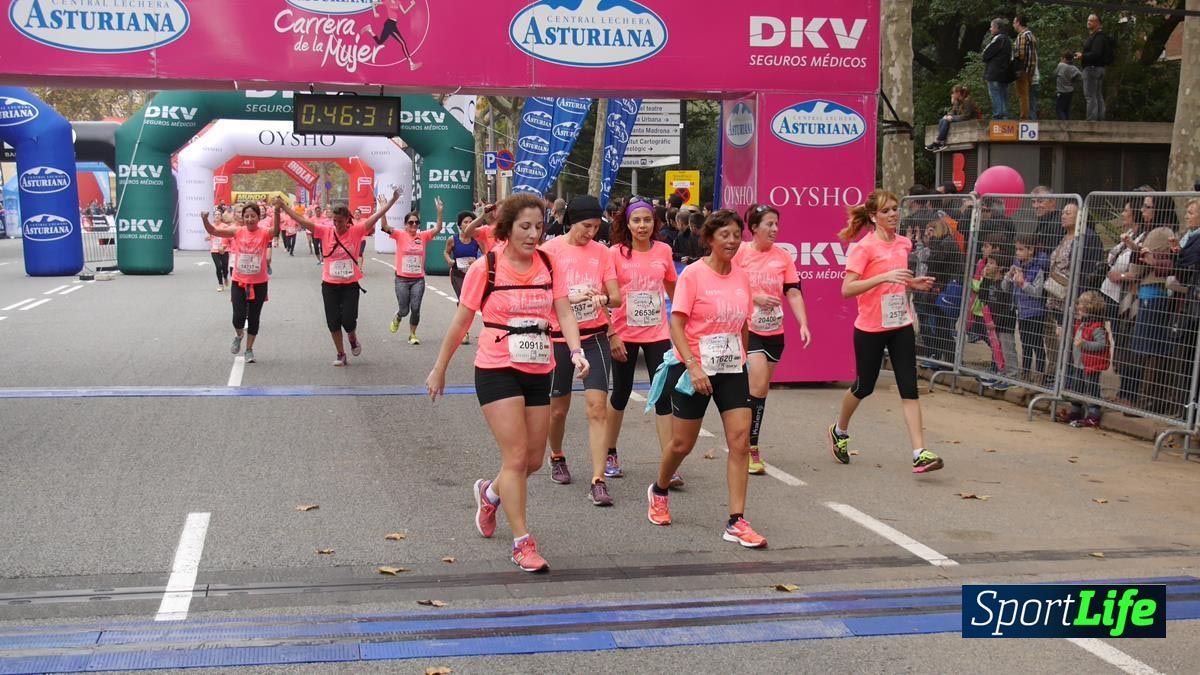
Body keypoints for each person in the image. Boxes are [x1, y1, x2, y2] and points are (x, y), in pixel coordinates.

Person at [425, 193, 591, 573]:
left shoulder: (550, 263)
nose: (534, 234)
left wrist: (576, 350)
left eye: (539, 226)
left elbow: (563, 309)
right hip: (497, 366)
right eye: (525, 227)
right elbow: (461, 321)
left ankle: (490, 492)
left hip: (538, 366)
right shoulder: (488, 267)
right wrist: (440, 367)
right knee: (515, 457)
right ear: (508, 227)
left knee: (532, 460)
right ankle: (522, 542)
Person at [645, 209, 767, 548]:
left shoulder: (742, 276)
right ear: (709, 239)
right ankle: (660, 488)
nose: (731, 241)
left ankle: (736, 520)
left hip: (731, 368)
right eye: (723, 235)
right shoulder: (694, 275)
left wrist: (743, 358)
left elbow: (743, 323)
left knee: (740, 442)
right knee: (682, 444)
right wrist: (693, 366)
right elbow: (677, 325)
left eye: (735, 235)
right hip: (695, 369)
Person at [827, 190, 943, 474]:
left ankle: (919, 452)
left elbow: (896, 281)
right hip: (870, 328)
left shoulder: (904, 244)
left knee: (909, 387)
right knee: (863, 386)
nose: (893, 214)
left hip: (900, 324)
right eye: (886, 211)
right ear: (873, 216)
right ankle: (839, 430)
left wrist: (912, 283)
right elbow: (847, 289)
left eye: (895, 209)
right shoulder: (864, 248)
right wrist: (883, 277)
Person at [540, 195, 622, 505]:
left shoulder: (602, 253)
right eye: (586, 226)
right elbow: (539, 295)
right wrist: (568, 300)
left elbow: (616, 296)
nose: (591, 233)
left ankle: (598, 479)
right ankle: (557, 455)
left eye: (596, 227)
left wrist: (600, 299)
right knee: (558, 409)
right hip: (558, 338)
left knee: (597, 408)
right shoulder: (549, 251)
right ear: (570, 221)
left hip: (594, 336)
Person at [603, 198, 679, 484]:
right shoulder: (615, 254)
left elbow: (676, 291)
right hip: (624, 334)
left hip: (657, 334)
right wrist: (611, 333)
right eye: (637, 220)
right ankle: (610, 452)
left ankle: (669, 462)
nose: (642, 225)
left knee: (663, 396)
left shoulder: (664, 250)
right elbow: (603, 297)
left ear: (654, 222)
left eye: (647, 220)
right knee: (620, 394)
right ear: (627, 224)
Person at [279, 191, 400, 366]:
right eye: (334, 221)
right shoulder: (325, 231)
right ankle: (340, 353)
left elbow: (376, 217)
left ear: (347, 220)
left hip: (350, 284)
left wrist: (390, 203)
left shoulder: (357, 231)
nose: (337, 224)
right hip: (330, 284)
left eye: (340, 221)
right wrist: (283, 207)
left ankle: (352, 336)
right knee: (333, 321)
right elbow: (303, 221)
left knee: (349, 320)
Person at [734, 204, 811, 475]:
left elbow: (793, 292)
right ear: (754, 227)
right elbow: (728, 284)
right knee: (756, 383)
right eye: (769, 224)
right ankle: (749, 447)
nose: (775, 229)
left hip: (774, 332)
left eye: (777, 224)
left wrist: (803, 323)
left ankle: (747, 437)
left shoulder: (783, 257)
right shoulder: (740, 253)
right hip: (747, 329)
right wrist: (753, 297)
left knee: (761, 390)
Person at [201, 203, 280, 364]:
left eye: (253, 216)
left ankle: (249, 349)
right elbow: (213, 231)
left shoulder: (264, 233)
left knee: (254, 317)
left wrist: (277, 212)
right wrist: (205, 219)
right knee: (237, 317)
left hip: (259, 282)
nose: (250, 219)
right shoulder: (237, 231)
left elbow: (276, 231)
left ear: (258, 217)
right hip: (239, 281)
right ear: (243, 218)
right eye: (247, 216)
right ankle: (238, 335)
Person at [382, 198, 444, 346]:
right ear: (405, 225)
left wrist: (440, 212)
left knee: (415, 308)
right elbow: (384, 226)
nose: (414, 225)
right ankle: (398, 317)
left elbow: (438, 229)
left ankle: (412, 334)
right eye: (411, 222)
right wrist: (383, 208)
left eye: (416, 222)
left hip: (418, 279)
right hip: (402, 279)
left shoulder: (422, 236)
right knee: (404, 310)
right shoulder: (399, 234)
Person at [1057, 290, 1110, 427]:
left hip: (1090, 365)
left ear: (1089, 308)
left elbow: (1101, 345)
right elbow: (1075, 339)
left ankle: (1094, 415)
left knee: (1092, 389)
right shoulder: (1081, 324)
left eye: (1081, 304)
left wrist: (1085, 344)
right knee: (1077, 387)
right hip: (1078, 363)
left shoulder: (1097, 327)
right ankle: (1075, 411)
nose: (1078, 307)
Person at [1005, 233, 1049, 380]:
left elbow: (1037, 292)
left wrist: (1023, 283)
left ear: (1030, 250)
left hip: (1035, 312)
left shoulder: (1038, 269)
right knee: (1025, 343)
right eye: (1016, 249)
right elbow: (1005, 288)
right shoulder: (1017, 267)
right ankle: (1026, 373)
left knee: (1037, 343)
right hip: (1022, 311)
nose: (1017, 253)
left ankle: (1041, 373)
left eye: (1021, 249)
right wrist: (1009, 277)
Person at [444, 210, 484, 343]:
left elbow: (487, 255)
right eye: (465, 222)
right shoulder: (453, 239)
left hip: (472, 274)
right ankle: (464, 332)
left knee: (471, 303)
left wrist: (478, 262)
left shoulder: (477, 240)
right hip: (457, 274)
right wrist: (449, 260)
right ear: (460, 225)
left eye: (470, 222)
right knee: (463, 301)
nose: (468, 224)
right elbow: (446, 252)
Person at [361, 0, 421, 70]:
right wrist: (375, 13)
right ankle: (411, 64)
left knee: (380, 42)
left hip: (392, 25)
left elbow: (404, 12)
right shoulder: (387, 2)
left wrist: (412, 5)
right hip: (389, 24)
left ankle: (369, 30)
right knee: (403, 43)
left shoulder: (398, 2)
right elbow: (373, 3)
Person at [1075, 14, 1112, 121]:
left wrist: (1082, 56)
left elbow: (1096, 53)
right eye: (1088, 20)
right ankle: (1100, 118)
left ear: (1098, 23)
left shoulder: (1098, 37)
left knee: (1090, 96)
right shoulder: (1098, 37)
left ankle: (1092, 120)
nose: (1088, 22)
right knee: (1097, 94)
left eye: (1091, 20)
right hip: (1098, 69)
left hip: (1092, 68)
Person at [926, 85, 978, 151]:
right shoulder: (957, 101)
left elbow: (966, 116)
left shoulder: (967, 100)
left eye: (953, 93)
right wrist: (948, 115)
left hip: (969, 120)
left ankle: (939, 142)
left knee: (946, 120)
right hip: (962, 119)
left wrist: (952, 118)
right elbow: (952, 112)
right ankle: (940, 142)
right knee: (943, 120)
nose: (952, 94)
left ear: (958, 93)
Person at [982, 18, 1013, 121]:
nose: (990, 29)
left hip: (994, 73)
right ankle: (1004, 117)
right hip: (1004, 73)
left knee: (995, 95)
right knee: (1003, 95)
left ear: (996, 27)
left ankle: (998, 117)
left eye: (991, 27)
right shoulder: (1008, 40)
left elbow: (985, 54)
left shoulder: (998, 39)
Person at [1012, 14, 1039, 120]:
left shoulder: (1022, 36)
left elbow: (1021, 55)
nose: (1013, 25)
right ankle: (1029, 116)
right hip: (1030, 70)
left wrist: (1014, 60)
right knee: (1028, 95)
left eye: (1014, 22)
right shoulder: (1031, 35)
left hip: (1023, 70)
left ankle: (1024, 117)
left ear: (1018, 22)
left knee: (1023, 95)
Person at [206, 213, 232, 292]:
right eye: (215, 215)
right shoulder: (211, 226)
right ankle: (220, 285)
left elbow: (229, 236)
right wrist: (207, 238)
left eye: (218, 215)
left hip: (224, 249)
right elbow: (209, 236)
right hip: (214, 250)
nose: (217, 216)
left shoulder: (225, 226)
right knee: (218, 266)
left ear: (221, 217)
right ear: (214, 217)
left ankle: (225, 277)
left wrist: (225, 245)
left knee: (225, 267)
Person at [1054, 51, 1084, 120]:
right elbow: (1081, 76)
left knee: (1059, 109)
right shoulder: (1073, 68)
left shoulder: (1061, 65)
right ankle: (1068, 126)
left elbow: (1055, 73)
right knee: (1067, 110)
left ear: (1064, 58)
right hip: (1070, 90)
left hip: (1061, 91)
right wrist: (1073, 80)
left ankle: (1064, 126)